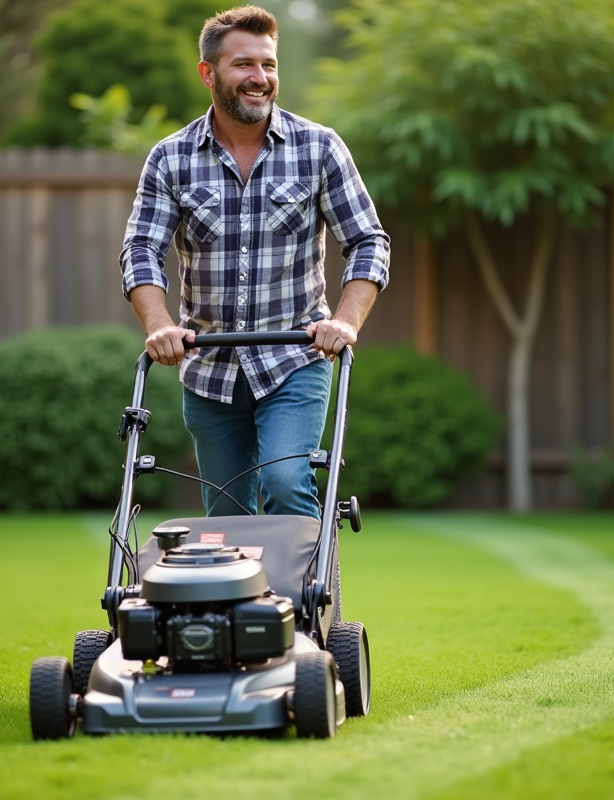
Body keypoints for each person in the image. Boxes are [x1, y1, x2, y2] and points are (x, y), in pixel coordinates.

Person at [119, 5, 390, 519]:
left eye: (268, 65)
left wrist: (345, 322)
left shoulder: (319, 149)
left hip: (295, 359)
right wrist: (159, 326)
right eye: (243, 65)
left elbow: (368, 241)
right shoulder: (170, 158)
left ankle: (311, 599)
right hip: (209, 366)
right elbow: (141, 249)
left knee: (286, 483)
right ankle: (234, 603)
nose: (259, 78)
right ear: (208, 72)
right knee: (225, 514)